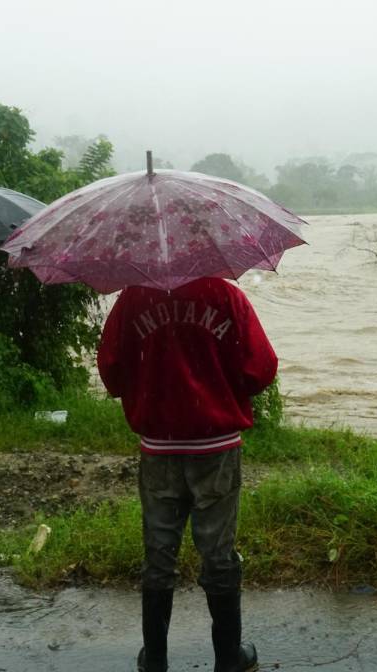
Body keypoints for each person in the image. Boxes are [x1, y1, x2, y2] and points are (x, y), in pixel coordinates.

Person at [98, 277, 277, 672]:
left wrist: (152, 383)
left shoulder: (134, 297)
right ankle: (228, 658)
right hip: (216, 446)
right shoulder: (225, 295)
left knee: (159, 553)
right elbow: (261, 369)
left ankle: (155, 659)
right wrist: (218, 384)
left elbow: (111, 371)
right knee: (218, 553)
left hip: (159, 447)